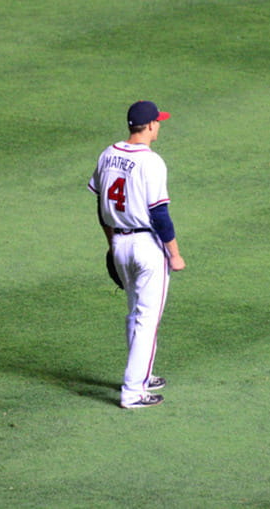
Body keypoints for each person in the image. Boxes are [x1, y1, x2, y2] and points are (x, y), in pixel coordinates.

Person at [88, 100, 186, 409]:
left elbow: (101, 206)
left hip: (119, 242)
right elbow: (159, 214)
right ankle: (133, 392)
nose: (160, 125)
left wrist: (112, 243)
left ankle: (142, 376)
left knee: (135, 313)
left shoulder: (109, 153)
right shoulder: (151, 162)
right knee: (147, 319)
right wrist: (175, 254)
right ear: (151, 125)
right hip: (147, 247)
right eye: (159, 121)